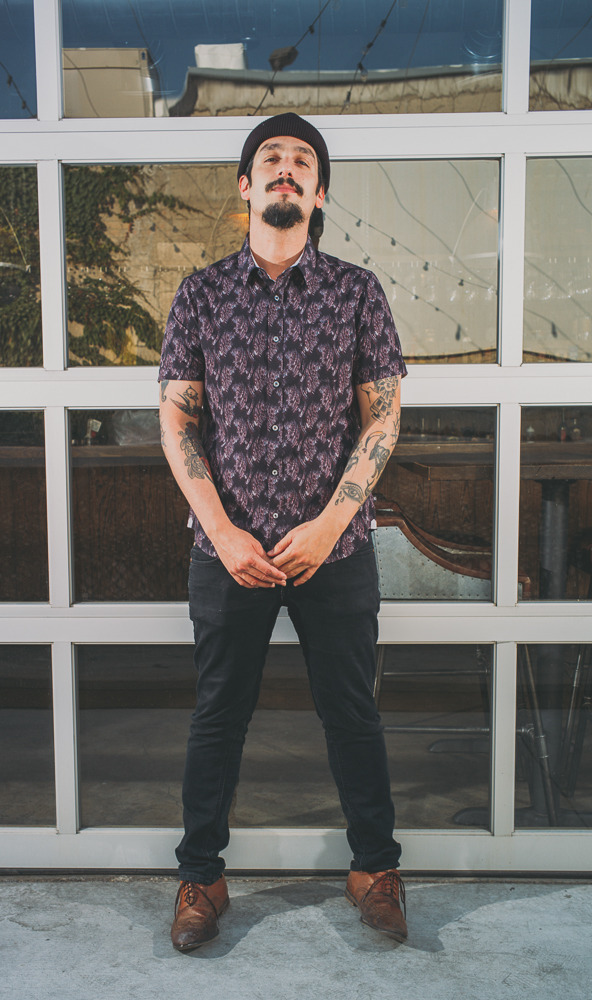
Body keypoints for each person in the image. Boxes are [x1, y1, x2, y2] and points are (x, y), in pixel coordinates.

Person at [158, 112, 407, 953]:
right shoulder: (200, 294)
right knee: (217, 717)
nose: (287, 167)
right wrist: (223, 531)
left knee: (352, 714)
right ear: (245, 185)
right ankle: (200, 877)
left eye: (303, 160)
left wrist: (331, 523)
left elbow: (382, 419)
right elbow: (177, 423)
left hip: (334, 550)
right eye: (271, 157)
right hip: (226, 551)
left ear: (319, 193)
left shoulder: (356, 292)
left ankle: (374, 870)